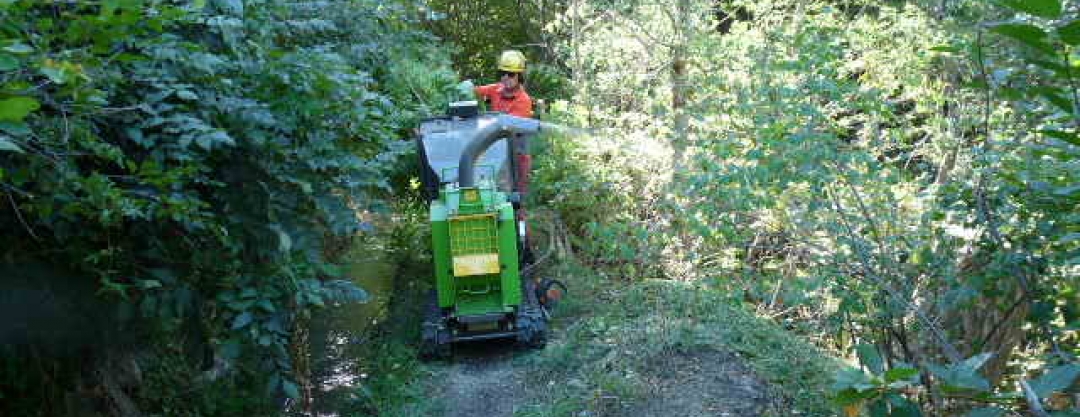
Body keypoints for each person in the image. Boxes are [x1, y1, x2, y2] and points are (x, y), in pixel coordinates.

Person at [473, 50, 534, 118]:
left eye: (511, 74)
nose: (505, 77)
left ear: (520, 77)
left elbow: (511, 125)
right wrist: (467, 86)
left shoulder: (523, 101)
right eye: (503, 73)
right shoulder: (495, 88)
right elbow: (474, 90)